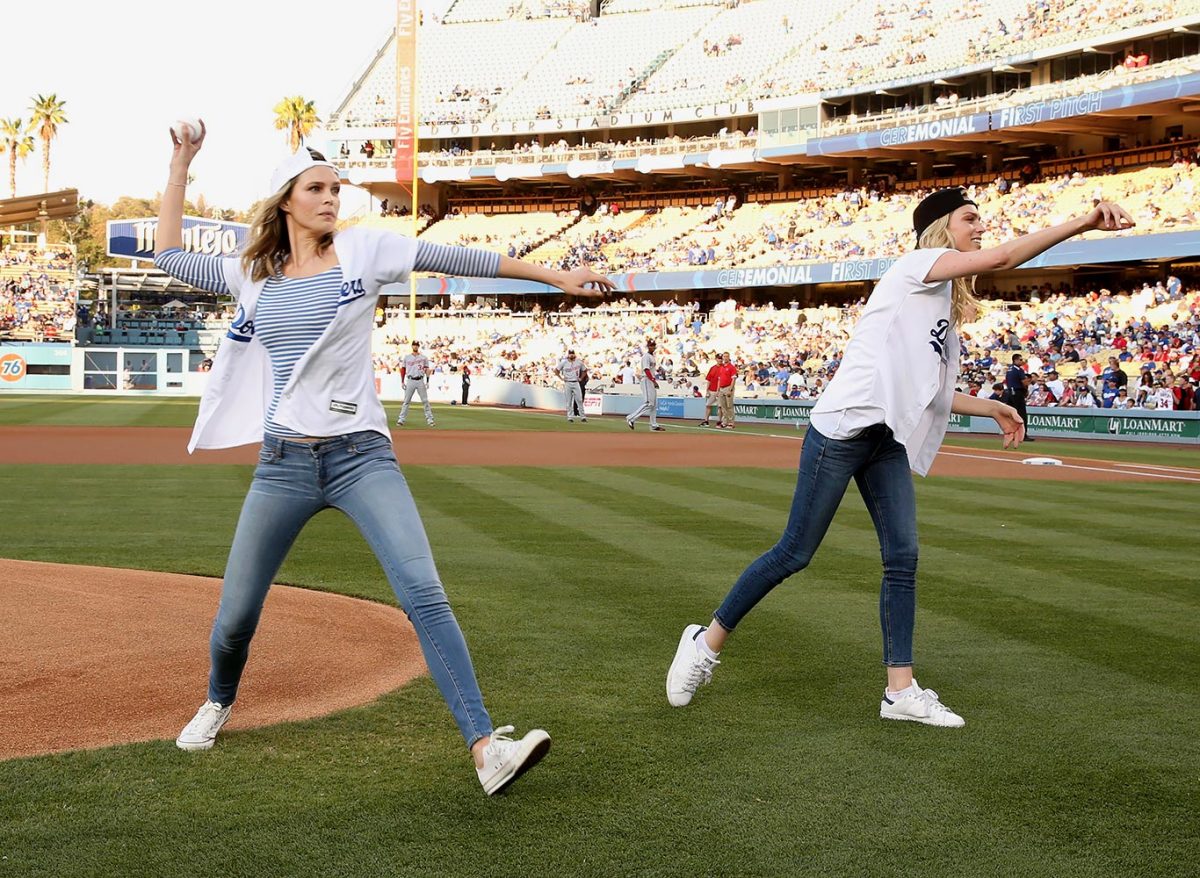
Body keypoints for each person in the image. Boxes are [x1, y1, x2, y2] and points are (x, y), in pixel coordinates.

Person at [154, 124, 614, 794]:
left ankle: (486, 749)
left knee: (423, 592)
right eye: (316, 188)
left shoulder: (364, 250)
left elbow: (458, 258)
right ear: (286, 200)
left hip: (361, 457)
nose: (330, 198)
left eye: (336, 188)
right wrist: (180, 162)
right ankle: (220, 700)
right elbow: (168, 253)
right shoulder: (251, 271)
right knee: (236, 617)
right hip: (283, 463)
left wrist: (554, 276)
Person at [665, 187, 1133, 727]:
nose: (981, 227)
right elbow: (1004, 257)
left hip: (884, 437)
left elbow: (929, 390)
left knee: (902, 557)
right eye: (970, 218)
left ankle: (900, 691)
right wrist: (1085, 220)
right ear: (940, 228)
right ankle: (704, 642)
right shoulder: (918, 265)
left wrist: (991, 407)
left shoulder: (941, 309)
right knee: (795, 552)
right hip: (841, 430)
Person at [626, 339, 665, 431]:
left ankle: (653, 425)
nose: (653, 347)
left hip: (650, 380)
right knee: (649, 403)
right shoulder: (646, 357)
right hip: (646, 380)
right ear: (648, 346)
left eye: (654, 345)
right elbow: (646, 370)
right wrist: (653, 380)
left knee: (654, 404)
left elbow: (651, 370)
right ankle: (631, 418)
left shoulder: (652, 357)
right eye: (651, 345)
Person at [397, 340, 435, 427]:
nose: (415, 346)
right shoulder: (407, 357)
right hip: (410, 380)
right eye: (414, 345)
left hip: (420, 380)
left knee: (425, 401)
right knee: (406, 401)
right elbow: (403, 369)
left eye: (417, 345)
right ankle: (401, 419)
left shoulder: (423, 357)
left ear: (418, 346)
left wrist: (428, 381)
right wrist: (402, 381)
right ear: (412, 346)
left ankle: (430, 419)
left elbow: (427, 370)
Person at [556, 348, 587, 423]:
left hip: (576, 382)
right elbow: (556, 370)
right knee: (569, 401)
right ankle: (570, 417)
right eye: (570, 353)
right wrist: (561, 378)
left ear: (574, 354)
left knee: (579, 399)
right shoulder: (564, 362)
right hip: (568, 383)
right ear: (568, 354)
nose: (571, 355)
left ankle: (583, 416)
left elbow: (585, 370)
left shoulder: (579, 362)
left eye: (572, 353)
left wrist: (581, 378)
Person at [699, 354, 723, 427]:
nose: (720, 360)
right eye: (719, 358)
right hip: (712, 389)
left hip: (720, 390)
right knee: (708, 405)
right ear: (716, 359)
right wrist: (707, 390)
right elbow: (709, 379)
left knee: (720, 406)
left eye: (721, 358)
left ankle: (719, 421)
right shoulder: (712, 368)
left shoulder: (724, 368)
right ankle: (706, 421)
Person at [717, 352, 738, 429]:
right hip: (721, 388)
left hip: (728, 387)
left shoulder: (731, 367)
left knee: (729, 406)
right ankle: (724, 422)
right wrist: (718, 389)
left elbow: (733, 379)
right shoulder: (721, 367)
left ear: (729, 357)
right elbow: (719, 379)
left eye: (726, 356)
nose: (725, 358)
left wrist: (731, 389)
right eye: (724, 356)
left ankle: (731, 422)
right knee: (723, 406)